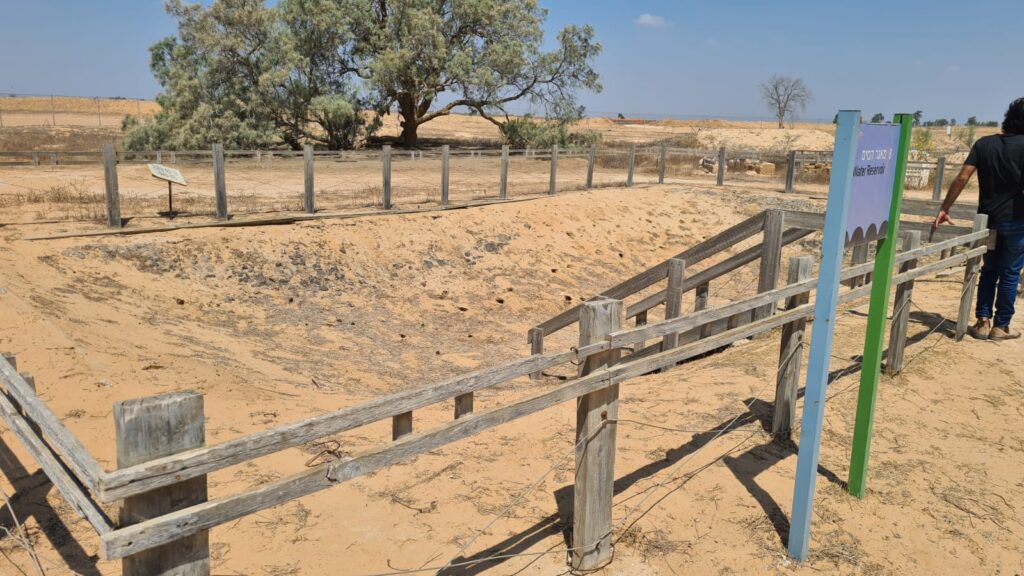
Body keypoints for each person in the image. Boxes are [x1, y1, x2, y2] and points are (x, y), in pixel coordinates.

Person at [934, 97, 1024, 340]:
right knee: (1010, 273)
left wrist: (945, 208)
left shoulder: (984, 144)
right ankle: (1001, 326)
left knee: (989, 269)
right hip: (1017, 221)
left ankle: (982, 321)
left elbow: (963, 177)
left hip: (987, 220)